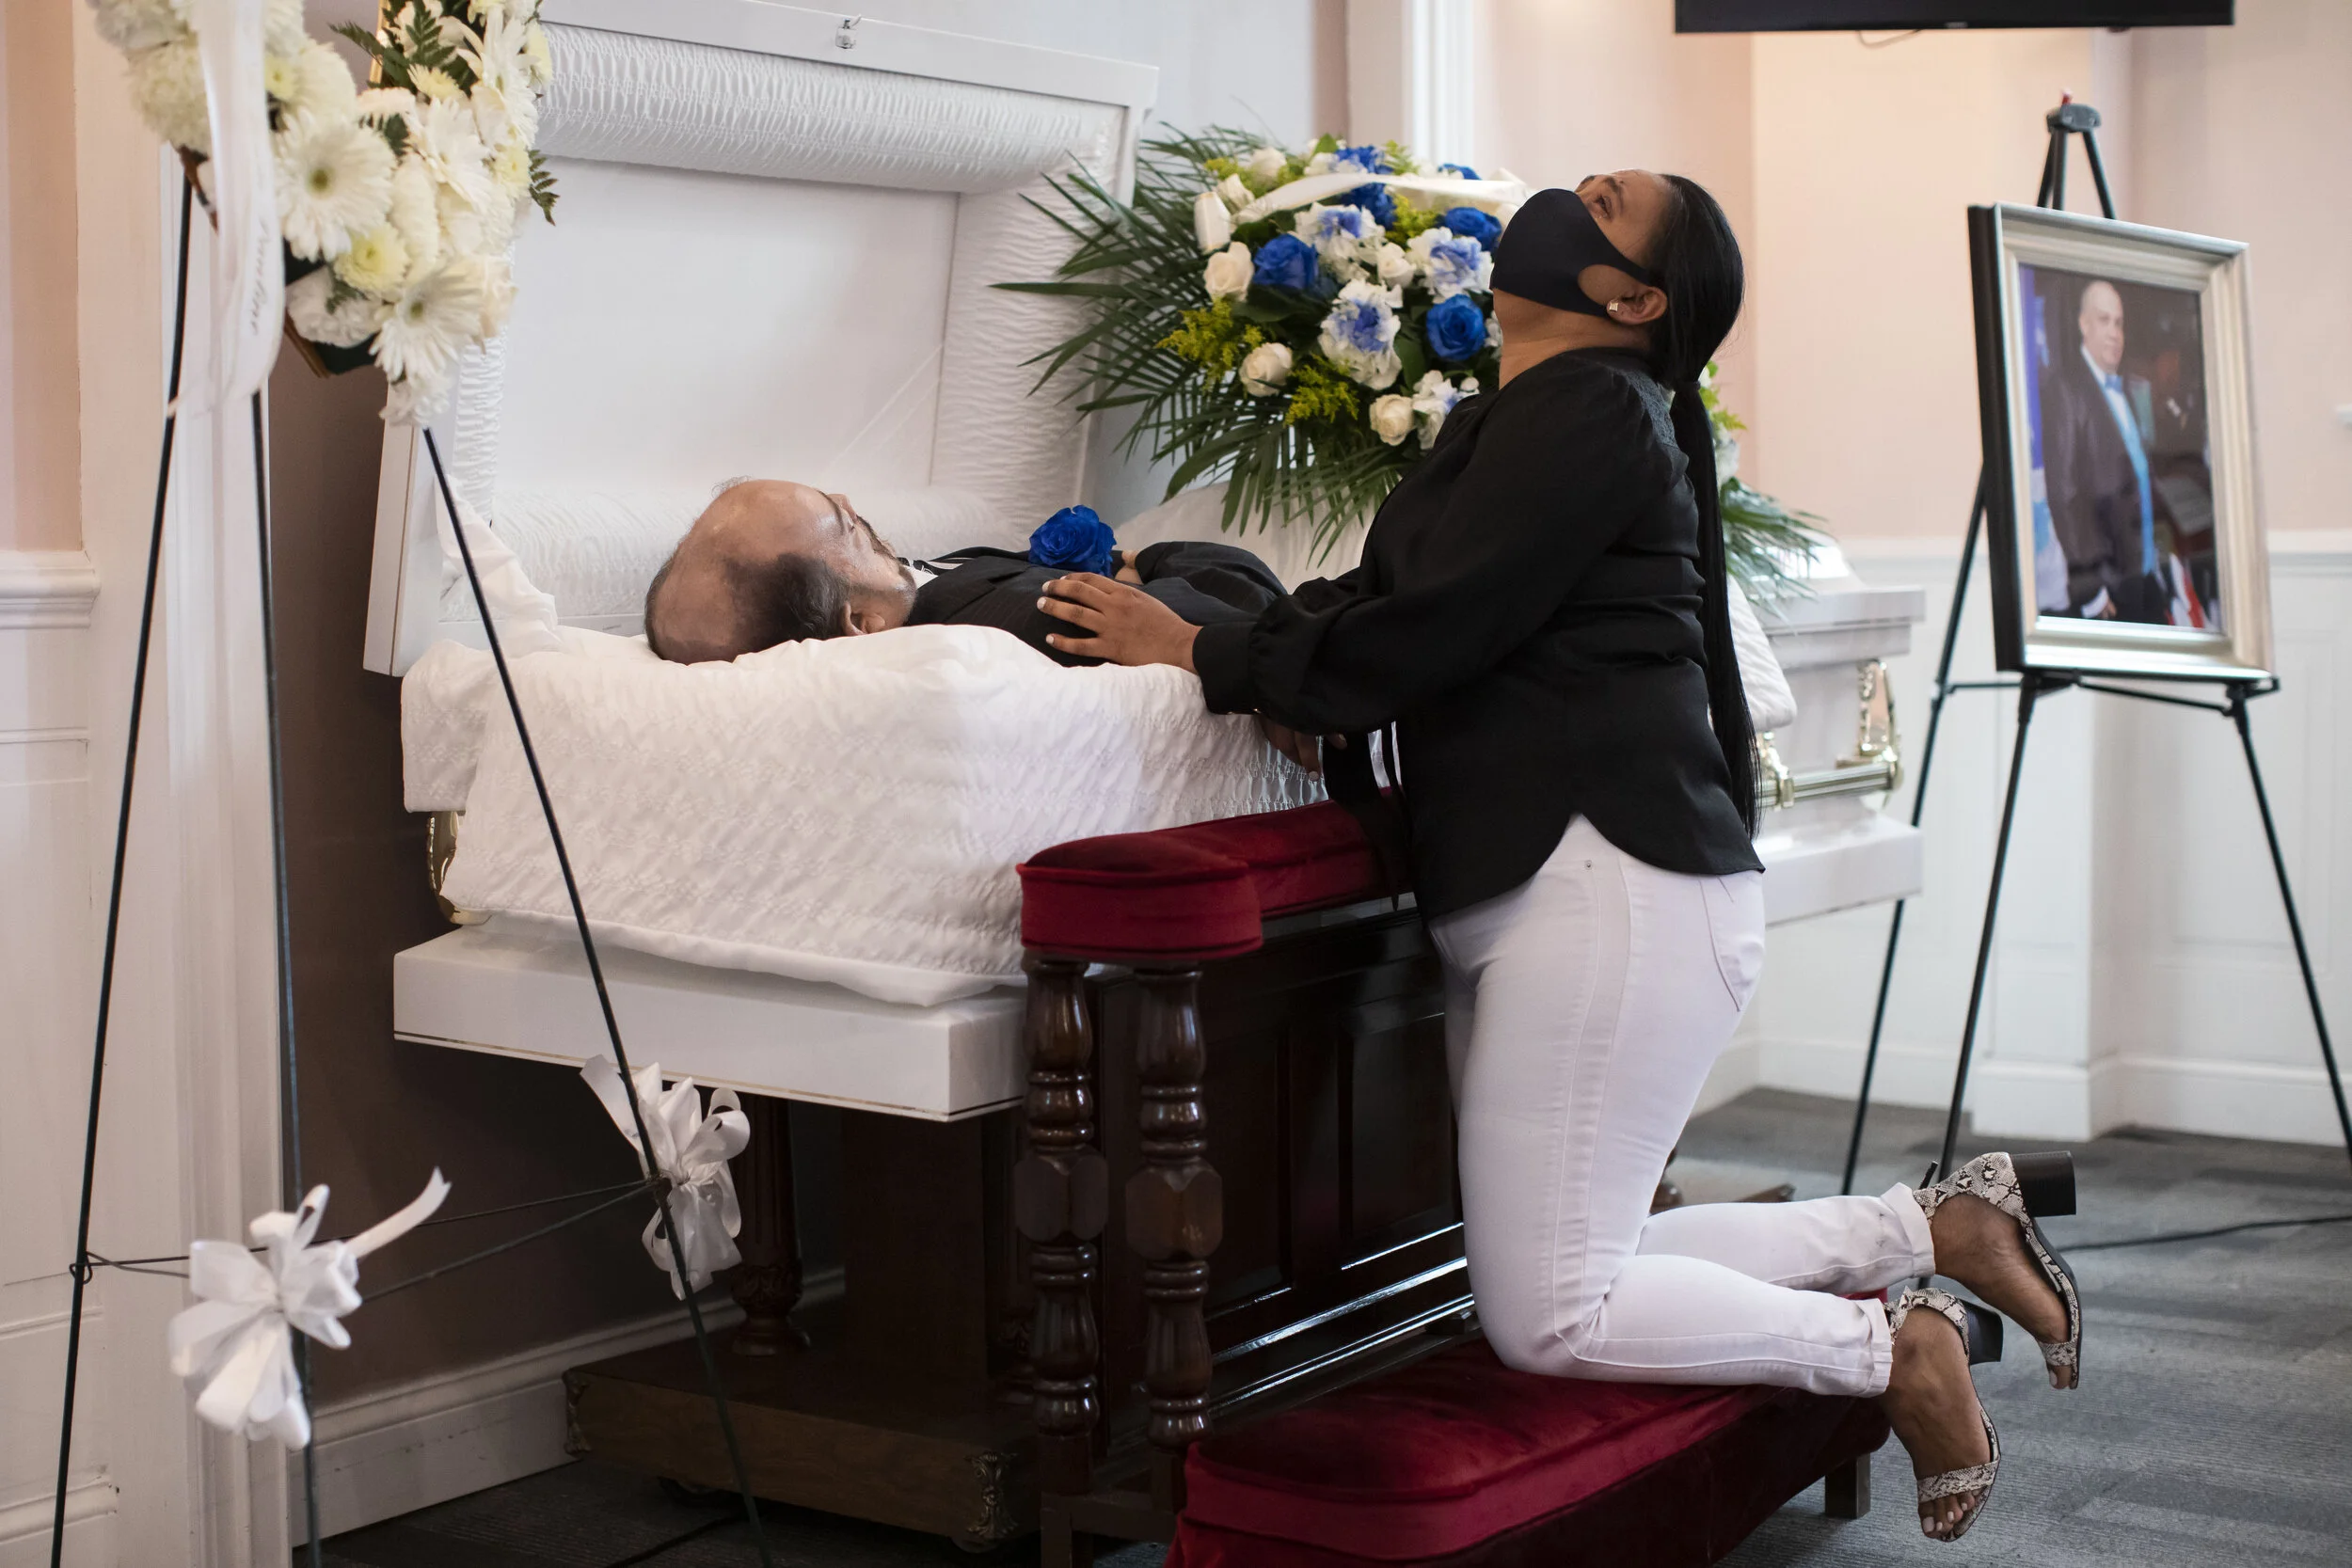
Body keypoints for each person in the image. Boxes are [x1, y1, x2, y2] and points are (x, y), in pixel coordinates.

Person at [1035, 175, 2085, 1543]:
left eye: (1608, 202)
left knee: (1551, 1315)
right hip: (1579, 887)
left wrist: (1203, 652)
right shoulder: (1524, 416)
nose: (1570, 193)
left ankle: (1894, 1354)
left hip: (1608, 887)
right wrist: (1251, 644)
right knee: (1588, 1263)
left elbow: (1438, 625)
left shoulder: (1592, 410)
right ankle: (1930, 1230)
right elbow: (1395, 604)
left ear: (1630, 299)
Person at [639, 479, 1288, 666]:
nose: (851, 501)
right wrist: (1146, 560)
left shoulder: (920, 585)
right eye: (843, 526)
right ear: (860, 623)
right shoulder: (1013, 626)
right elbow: (1255, 609)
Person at [2041, 279, 2165, 621]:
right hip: (2107, 590)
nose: (2114, 333)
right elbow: (2064, 497)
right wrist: (2090, 590)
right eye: (2103, 320)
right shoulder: (2065, 391)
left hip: (2146, 573)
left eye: (2119, 323)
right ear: (2083, 324)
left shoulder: (2128, 386)